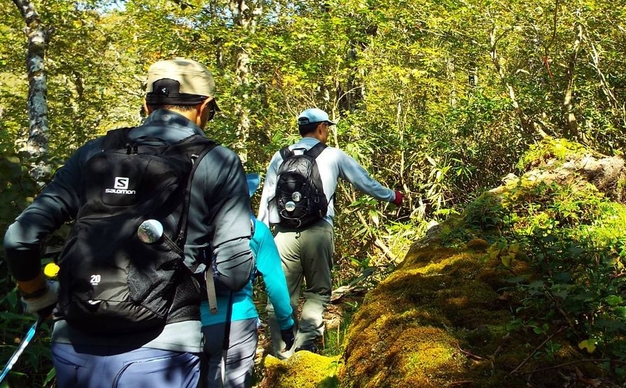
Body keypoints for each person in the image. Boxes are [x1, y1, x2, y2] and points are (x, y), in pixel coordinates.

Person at [3, 58, 255, 387]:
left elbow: (18, 238)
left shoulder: (93, 153)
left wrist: (38, 296)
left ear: (145, 104)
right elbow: (236, 270)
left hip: (75, 341)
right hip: (165, 344)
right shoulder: (217, 160)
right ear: (205, 107)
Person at [257, 108, 403, 356]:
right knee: (318, 291)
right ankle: (306, 346)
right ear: (322, 128)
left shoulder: (279, 156)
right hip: (318, 231)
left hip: (282, 234)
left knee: (281, 294)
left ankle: (282, 352)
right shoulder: (333, 155)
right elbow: (364, 182)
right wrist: (392, 196)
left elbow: (267, 197)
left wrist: (261, 235)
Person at [201, 173, 295, 387]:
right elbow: (275, 283)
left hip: (189, 324)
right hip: (237, 323)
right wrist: (286, 325)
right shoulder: (255, 230)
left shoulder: (190, 228)